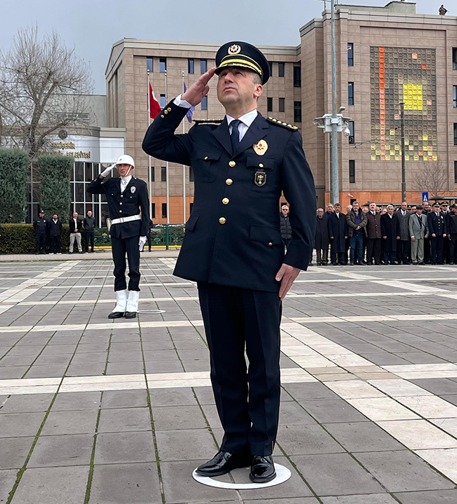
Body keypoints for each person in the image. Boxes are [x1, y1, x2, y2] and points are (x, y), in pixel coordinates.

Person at [142, 41, 314, 484]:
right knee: (223, 361)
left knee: (263, 361)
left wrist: (297, 257)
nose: (226, 79)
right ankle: (233, 444)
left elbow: (303, 202)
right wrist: (185, 102)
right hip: (213, 264)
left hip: (260, 265)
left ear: (258, 88)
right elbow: (153, 142)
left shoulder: (282, 138)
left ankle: (262, 450)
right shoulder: (203, 135)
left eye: (236, 74)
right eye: (221, 74)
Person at [87, 154, 150, 319]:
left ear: (131, 167)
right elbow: (91, 189)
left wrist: (144, 234)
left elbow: (145, 211)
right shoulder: (111, 184)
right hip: (117, 230)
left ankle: (132, 304)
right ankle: (121, 304)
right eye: (119, 166)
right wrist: (102, 175)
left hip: (134, 230)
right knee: (118, 268)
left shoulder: (140, 185)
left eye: (124, 166)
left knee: (134, 268)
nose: (121, 168)